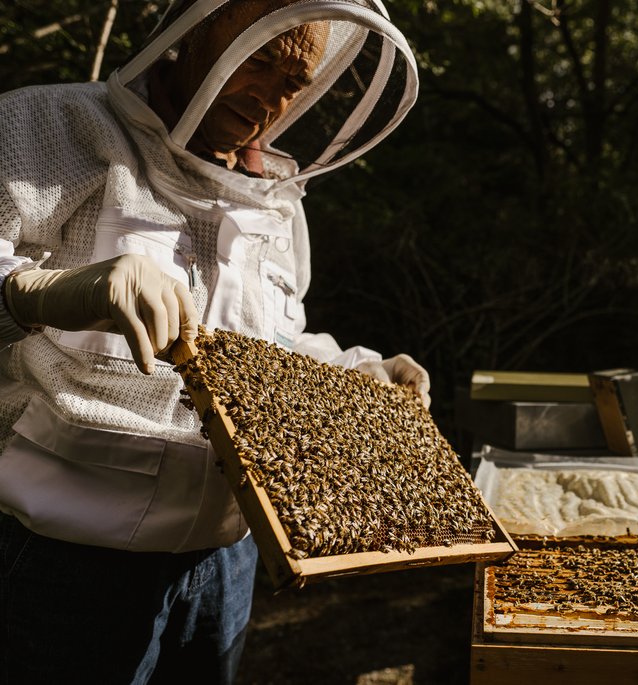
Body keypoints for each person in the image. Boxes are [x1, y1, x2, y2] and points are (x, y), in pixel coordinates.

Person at [0, 1, 424, 682]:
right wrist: (41, 291)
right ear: (193, 36)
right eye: (258, 60)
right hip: (68, 559)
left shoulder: (275, 199)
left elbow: (265, 348)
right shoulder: (53, 125)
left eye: (295, 82)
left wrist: (359, 376)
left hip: (225, 561)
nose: (271, 98)